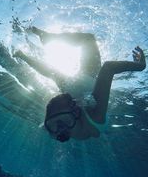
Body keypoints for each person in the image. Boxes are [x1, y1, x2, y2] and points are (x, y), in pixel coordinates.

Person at [14, 27, 146, 142]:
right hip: (88, 87)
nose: (57, 125)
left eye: (52, 125)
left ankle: (23, 54)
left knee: (54, 74)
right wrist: (139, 66)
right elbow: (109, 67)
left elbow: (53, 128)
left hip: (76, 92)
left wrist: (23, 56)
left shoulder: (56, 128)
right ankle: (44, 40)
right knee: (88, 39)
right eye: (64, 122)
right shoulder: (96, 116)